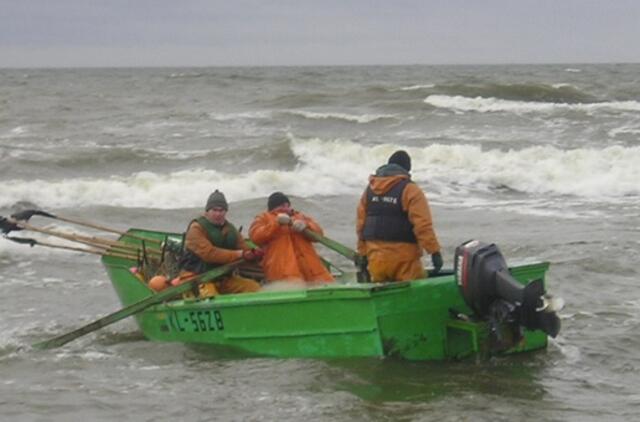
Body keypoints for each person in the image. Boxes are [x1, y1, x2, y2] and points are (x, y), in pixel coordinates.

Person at [356, 150, 442, 283]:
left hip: (376, 260)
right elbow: (423, 226)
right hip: (404, 261)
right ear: (407, 170)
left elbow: (361, 226)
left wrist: (362, 254)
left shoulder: (369, 190)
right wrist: (434, 252)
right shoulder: (410, 190)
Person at [176, 189, 262, 297]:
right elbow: (210, 254)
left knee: (255, 288)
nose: (218, 214)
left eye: (221, 210)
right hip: (198, 278)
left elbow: (244, 247)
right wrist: (240, 254)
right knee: (211, 297)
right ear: (207, 211)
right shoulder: (196, 229)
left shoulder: (230, 229)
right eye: (214, 210)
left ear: (226, 212)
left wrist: (254, 254)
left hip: (222, 278)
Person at [249, 192, 334, 284]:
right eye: (281, 206)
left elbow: (319, 235)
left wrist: (307, 225)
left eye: (287, 205)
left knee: (327, 286)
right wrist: (276, 223)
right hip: (283, 272)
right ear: (273, 208)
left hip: (313, 270)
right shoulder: (263, 218)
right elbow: (256, 236)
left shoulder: (300, 216)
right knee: (291, 289)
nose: (285, 208)